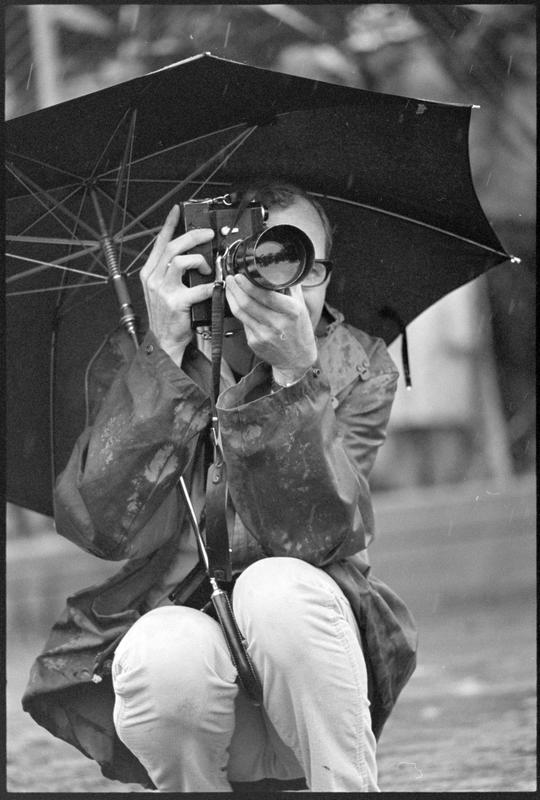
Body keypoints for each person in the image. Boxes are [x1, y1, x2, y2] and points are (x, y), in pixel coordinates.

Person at [22, 183, 417, 792]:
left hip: (312, 679)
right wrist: (163, 354)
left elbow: (319, 538)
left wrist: (293, 376)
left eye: (297, 262)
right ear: (210, 269)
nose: (278, 283)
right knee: (161, 648)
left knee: (276, 589)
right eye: (259, 259)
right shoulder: (140, 354)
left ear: (325, 276)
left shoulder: (355, 364)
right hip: (195, 694)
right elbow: (99, 527)